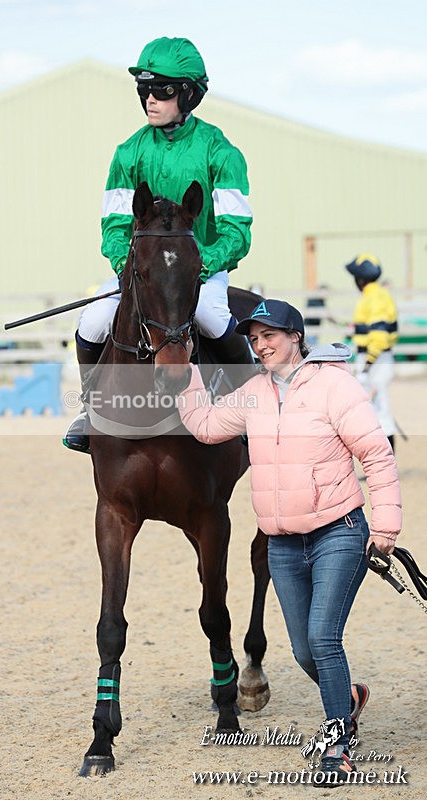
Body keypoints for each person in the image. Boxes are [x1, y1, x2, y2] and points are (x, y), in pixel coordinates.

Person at [176, 298, 402, 785]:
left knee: (323, 639)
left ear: (296, 336)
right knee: (302, 651)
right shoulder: (254, 392)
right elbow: (205, 426)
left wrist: (384, 526)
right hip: (282, 545)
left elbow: (377, 457)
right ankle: (349, 700)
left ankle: (337, 746)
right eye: (254, 340)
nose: (261, 346)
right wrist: (187, 370)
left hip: (338, 533)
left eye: (269, 336)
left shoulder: (334, 385)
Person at [63, 36, 253, 452]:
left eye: (162, 90)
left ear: (187, 94)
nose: (150, 99)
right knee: (93, 320)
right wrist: (124, 266)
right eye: (143, 90)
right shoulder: (127, 153)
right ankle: (89, 408)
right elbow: (113, 225)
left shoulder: (221, 152)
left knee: (212, 315)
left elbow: (237, 231)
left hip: (200, 270)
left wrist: (200, 267)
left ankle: (253, 411)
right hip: (141, 271)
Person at [345, 254, 398, 451]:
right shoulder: (375, 296)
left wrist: (367, 364)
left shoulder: (374, 298)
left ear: (360, 280)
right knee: (374, 411)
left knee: (379, 412)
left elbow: (380, 334)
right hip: (375, 359)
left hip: (374, 360)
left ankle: (387, 461)